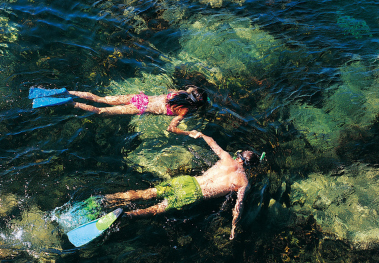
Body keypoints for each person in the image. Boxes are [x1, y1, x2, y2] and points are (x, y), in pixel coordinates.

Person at [102, 131, 262, 240]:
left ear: (239, 156)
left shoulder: (226, 157)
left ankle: (108, 198)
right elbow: (238, 205)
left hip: (187, 181)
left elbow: (211, 141)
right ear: (249, 166)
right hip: (194, 194)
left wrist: (199, 134)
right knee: (157, 209)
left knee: (148, 192)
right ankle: (127, 215)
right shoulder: (243, 182)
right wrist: (234, 226)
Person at [68, 85, 208, 136]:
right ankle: (72, 104)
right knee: (99, 111)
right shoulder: (183, 111)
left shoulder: (180, 93)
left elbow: (181, 89)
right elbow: (171, 128)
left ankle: (70, 92)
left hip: (140, 98)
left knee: (100, 99)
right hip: (140, 107)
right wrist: (188, 132)